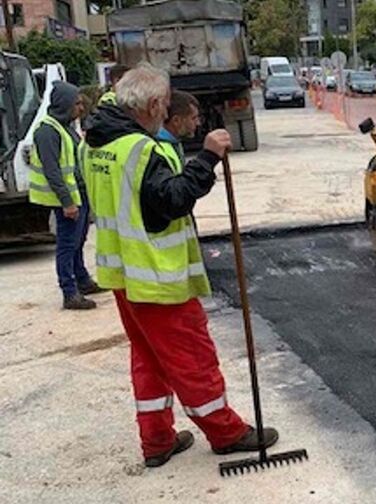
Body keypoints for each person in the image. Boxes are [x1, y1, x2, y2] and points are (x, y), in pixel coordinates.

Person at [82, 64, 279, 468]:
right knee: (192, 356)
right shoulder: (141, 150)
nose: (166, 111)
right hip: (156, 276)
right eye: (166, 104)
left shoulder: (96, 143)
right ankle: (226, 432)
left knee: (148, 358)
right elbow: (172, 200)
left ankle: (156, 440)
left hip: (123, 275)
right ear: (154, 104)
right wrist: (206, 157)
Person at [30, 82, 105, 310]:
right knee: (67, 245)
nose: (80, 108)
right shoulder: (47, 131)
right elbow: (53, 171)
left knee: (78, 242)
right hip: (68, 201)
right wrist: (67, 202)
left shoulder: (65, 127)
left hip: (79, 196)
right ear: (64, 104)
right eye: (77, 103)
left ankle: (82, 280)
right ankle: (69, 292)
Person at [156, 90, 200, 167]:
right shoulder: (159, 150)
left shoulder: (172, 143)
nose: (198, 123)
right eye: (193, 118)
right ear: (176, 120)